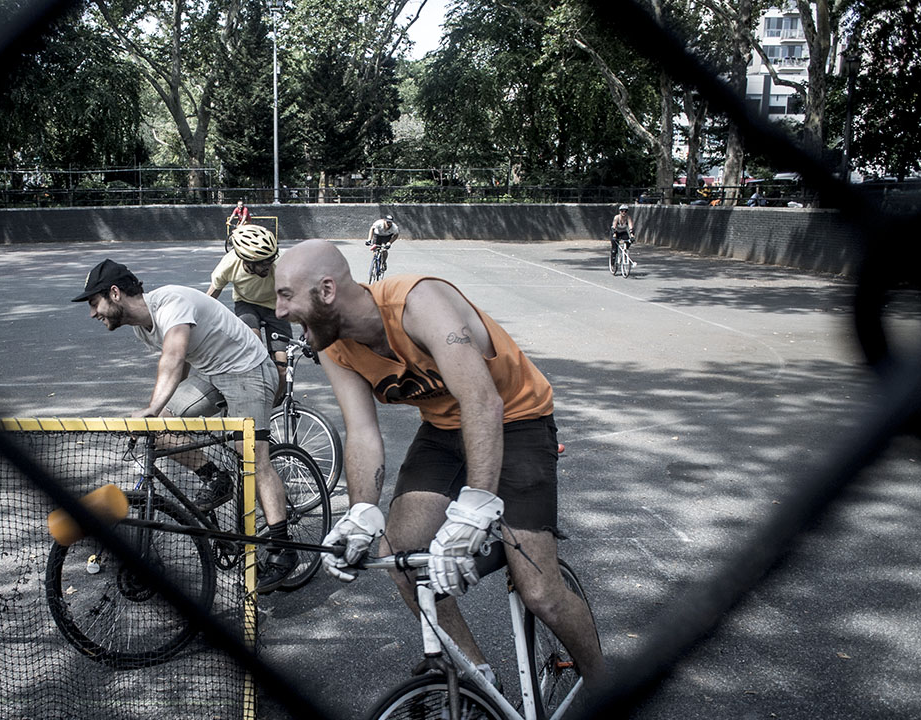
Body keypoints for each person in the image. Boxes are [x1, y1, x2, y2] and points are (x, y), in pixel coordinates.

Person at [272, 240, 604, 693]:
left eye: (286, 295)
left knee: (540, 593)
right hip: (444, 430)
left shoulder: (417, 303)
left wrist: (477, 504)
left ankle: (605, 691)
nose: (278, 310)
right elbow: (363, 433)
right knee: (400, 556)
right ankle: (480, 683)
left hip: (516, 418)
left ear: (326, 290)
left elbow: (483, 401)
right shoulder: (334, 345)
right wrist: (361, 511)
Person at [72, 258, 298, 593]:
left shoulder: (170, 303)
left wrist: (152, 408)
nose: (93, 313)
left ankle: (283, 549)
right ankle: (216, 479)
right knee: (158, 432)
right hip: (212, 374)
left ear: (115, 293)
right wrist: (163, 416)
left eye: (95, 303)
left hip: (248, 369)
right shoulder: (142, 328)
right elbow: (185, 364)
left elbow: (175, 357)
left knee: (252, 458)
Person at [207, 224, 293, 403]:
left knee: (283, 367)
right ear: (247, 261)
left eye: (270, 262)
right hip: (246, 304)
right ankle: (246, 391)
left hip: (275, 306)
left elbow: (300, 296)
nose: (268, 268)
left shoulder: (280, 266)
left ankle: (269, 408)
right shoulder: (229, 264)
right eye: (262, 264)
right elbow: (209, 299)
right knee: (254, 344)